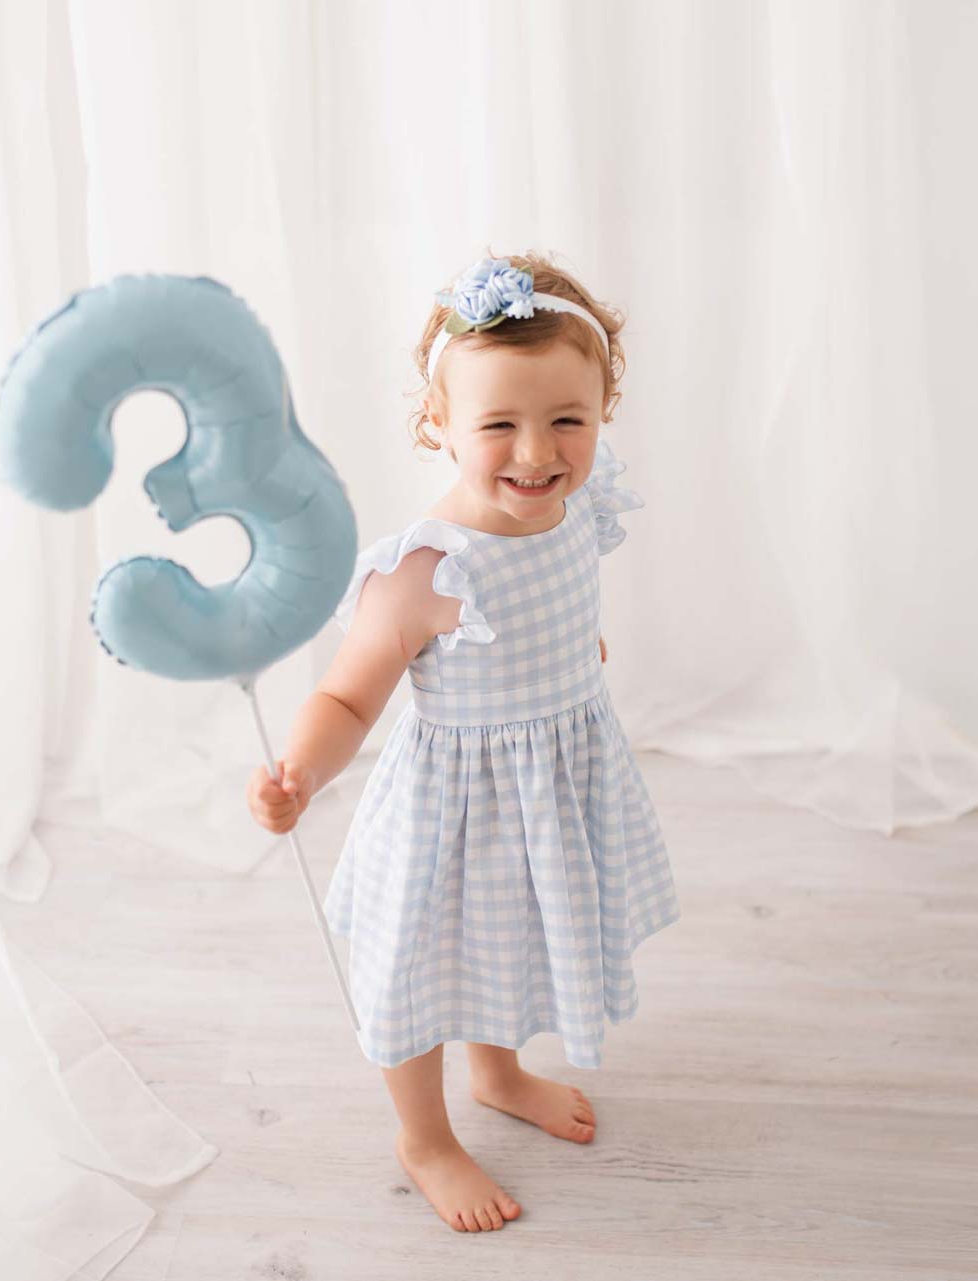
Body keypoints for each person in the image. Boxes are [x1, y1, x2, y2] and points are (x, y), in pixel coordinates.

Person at [245, 252, 681, 1233]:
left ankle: (498, 1070)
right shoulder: (429, 569)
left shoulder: (577, 507)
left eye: (568, 419)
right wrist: (300, 773)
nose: (538, 451)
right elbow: (350, 698)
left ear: (605, 405)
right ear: (436, 424)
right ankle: (425, 1137)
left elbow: (566, 614)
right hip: (458, 806)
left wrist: (576, 652)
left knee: (515, 942)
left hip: (553, 782)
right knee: (421, 969)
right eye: (498, 426)